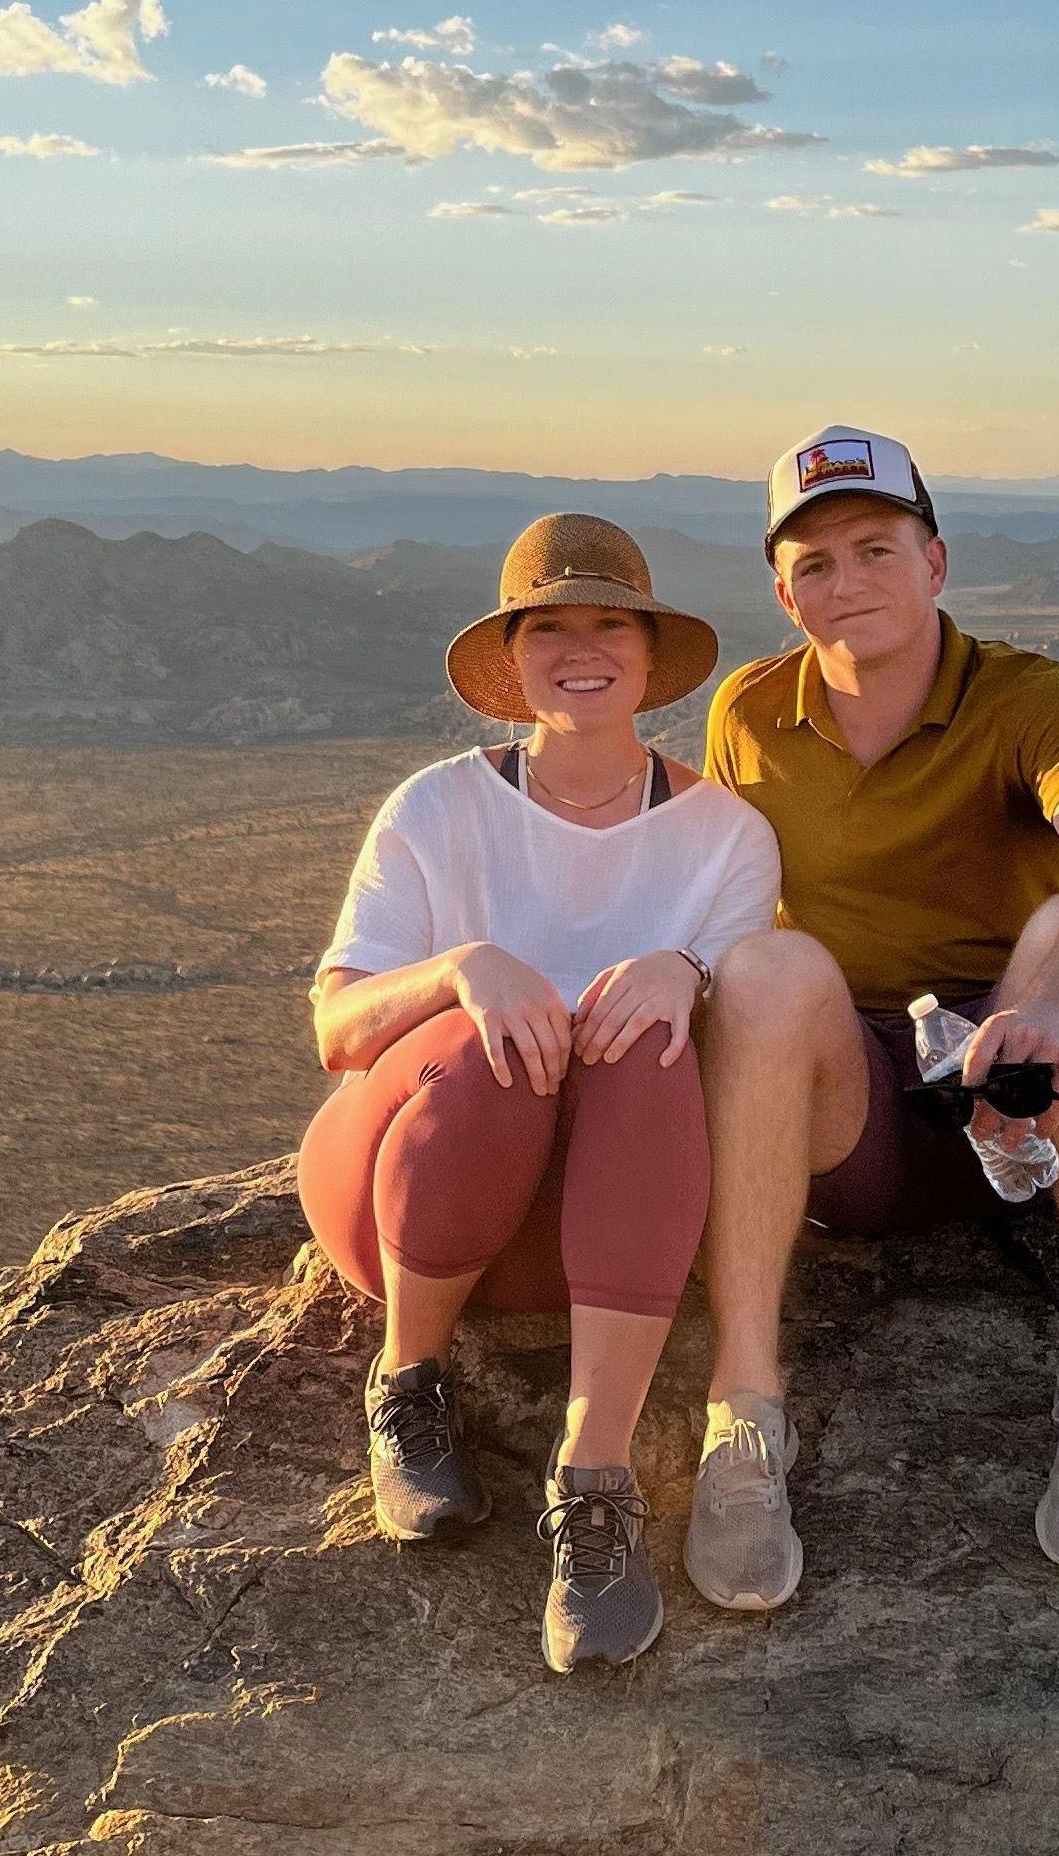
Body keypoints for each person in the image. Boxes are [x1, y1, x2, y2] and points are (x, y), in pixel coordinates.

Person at [684, 425, 1059, 1615]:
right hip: (846, 1114)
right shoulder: (747, 714)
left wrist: (1057, 1011)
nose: (847, 581)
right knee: (766, 969)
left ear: (936, 563)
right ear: (783, 593)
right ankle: (742, 1412)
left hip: (1022, 1101)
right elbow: (709, 894)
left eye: (876, 549)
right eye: (815, 563)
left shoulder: (1026, 699)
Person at [299, 513, 779, 1672]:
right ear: (512, 660)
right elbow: (336, 1029)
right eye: (549, 627)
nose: (582, 649)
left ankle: (594, 1482)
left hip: (596, 1247)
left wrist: (688, 971)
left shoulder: (727, 839)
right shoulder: (436, 809)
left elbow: (744, 1057)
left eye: (610, 623)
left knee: (648, 1044)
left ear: (650, 652)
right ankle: (408, 1382)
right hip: (407, 1201)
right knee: (495, 1045)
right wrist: (462, 970)